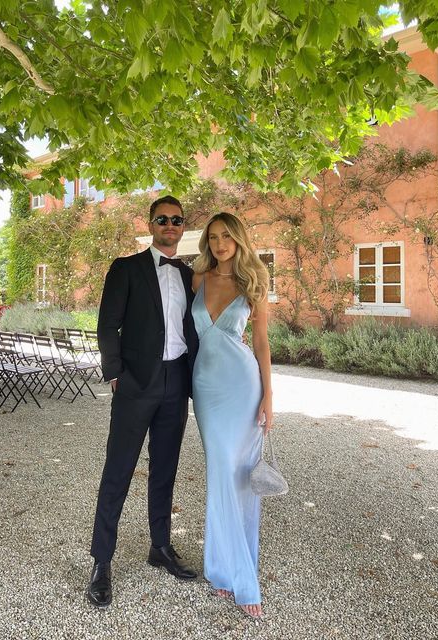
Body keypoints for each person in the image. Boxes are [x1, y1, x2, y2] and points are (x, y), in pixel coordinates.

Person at [87, 195, 199, 609]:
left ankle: (160, 547)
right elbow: (107, 325)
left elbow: (197, 328)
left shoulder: (190, 275)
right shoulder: (126, 268)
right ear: (151, 224)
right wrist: (115, 374)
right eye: (162, 219)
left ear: (182, 226)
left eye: (176, 220)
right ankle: (101, 562)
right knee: (118, 471)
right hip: (135, 385)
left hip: (176, 382)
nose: (170, 225)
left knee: (165, 470)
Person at [191, 212, 273, 619]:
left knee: (237, 478)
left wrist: (268, 398)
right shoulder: (198, 279)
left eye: (227, 236)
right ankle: (221, 567)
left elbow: (260, 344)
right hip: (205, 390)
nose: (220, 243)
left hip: (243, 388)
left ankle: (239, 575)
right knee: (220, 471)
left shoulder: (252, 283)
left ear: (239, 239)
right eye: (214, 237)